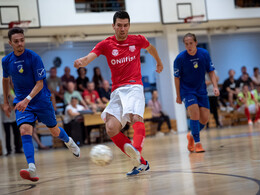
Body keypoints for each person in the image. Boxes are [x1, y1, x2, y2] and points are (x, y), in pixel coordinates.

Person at [74, 11, 163, 176]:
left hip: (134, 86)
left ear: (129, 26)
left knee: (136, 117)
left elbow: (151, 48)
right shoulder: (106, 44)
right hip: (116, 91)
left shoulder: (138, 40)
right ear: (113, 26)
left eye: (126, 25)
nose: (123, 29)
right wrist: (81, 62)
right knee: (111, 127)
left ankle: (136, 150)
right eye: (119, 25)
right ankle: (141, 163)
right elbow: (88, 58)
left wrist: (158, 62)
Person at [2, 27, 80, 182]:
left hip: (41, 99)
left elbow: (39, 84)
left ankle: (69, 142)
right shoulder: (6, 61)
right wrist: (6, 102)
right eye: (16, 41)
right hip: (22, 102)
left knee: (54, 131)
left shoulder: (34, 57)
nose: (20, 44)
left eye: (22, 40)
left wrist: (27, 99)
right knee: (25, 130)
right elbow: (5, 80)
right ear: (10, 43)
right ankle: (31, 167)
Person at [174, 33, 219, 153]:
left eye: (191, 43)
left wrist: (215, 87)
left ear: (196, 43)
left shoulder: (204, 54)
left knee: (204, 120)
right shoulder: (179, 59)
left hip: (201, 90)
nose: (189, 46)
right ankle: (198, 144)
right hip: (187, 91)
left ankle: (191, 135)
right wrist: (178, 95)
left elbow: (211, 71)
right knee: (194, 113)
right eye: (186, 44)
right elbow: (177, 78)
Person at [0, 91, 22, 155]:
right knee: (8, 135)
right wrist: (11, 107)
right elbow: (3, 108)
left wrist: (11, 96)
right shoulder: (1, 97)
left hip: (14, 118)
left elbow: (17, 104)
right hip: (6, 119)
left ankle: (18, 149)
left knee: (17, 134)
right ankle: (8, 150)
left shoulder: (14, 96)